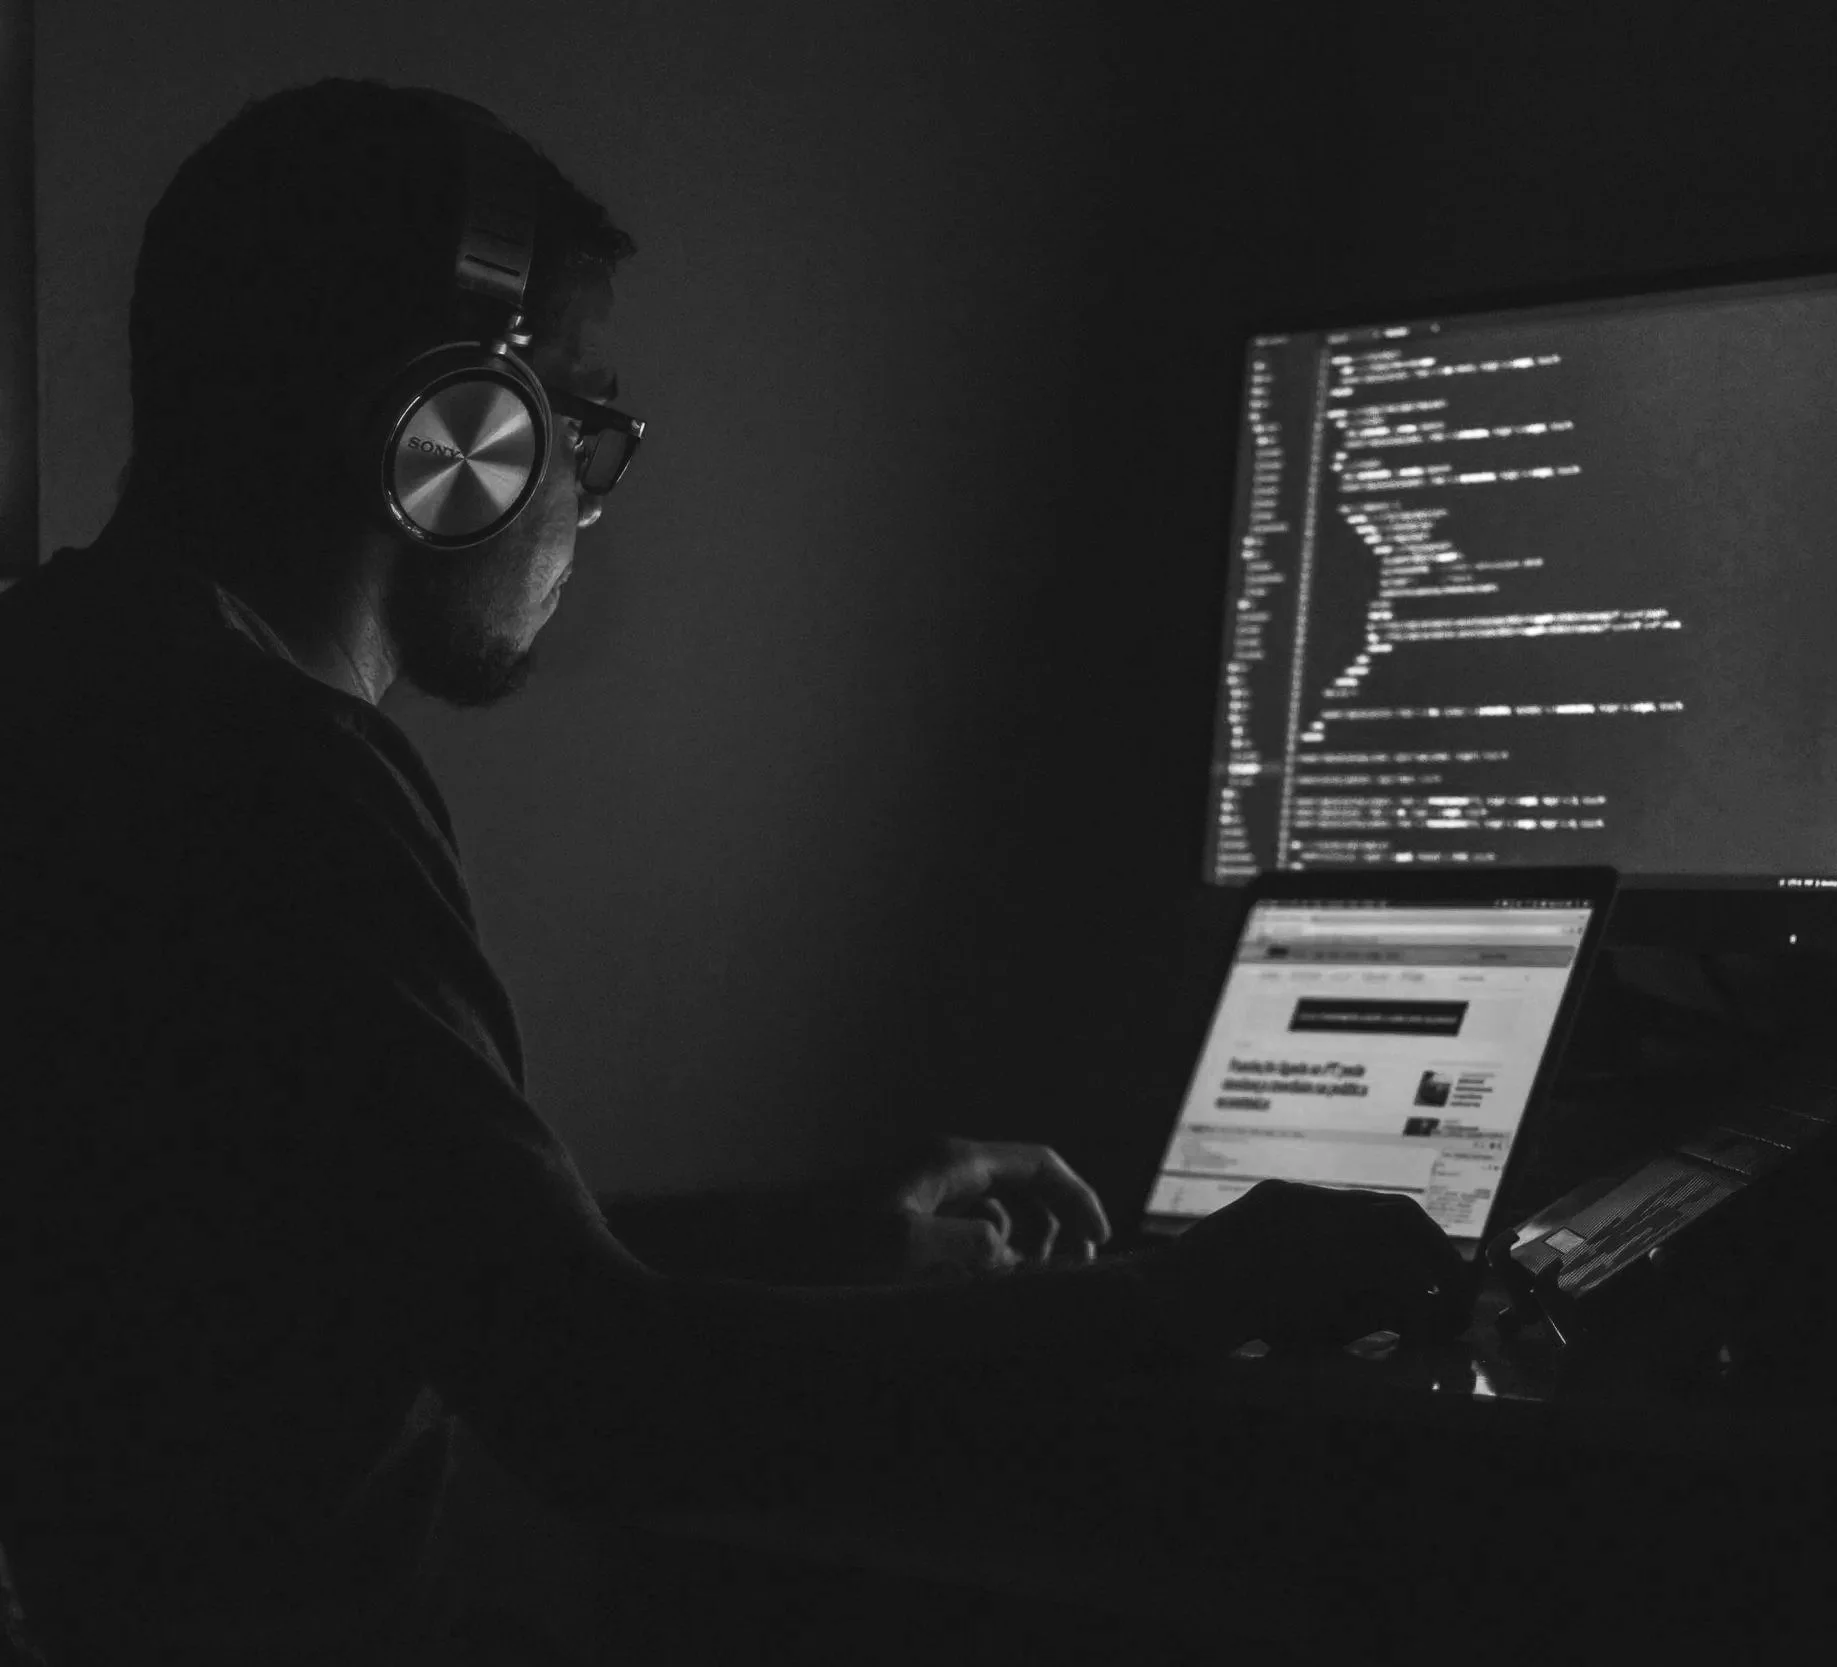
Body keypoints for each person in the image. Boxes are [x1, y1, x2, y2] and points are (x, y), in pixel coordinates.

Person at [0, 80, 1468, 1665]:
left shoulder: (68, 681)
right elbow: (603, 1404)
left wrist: (837, 1235)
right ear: (452, 439)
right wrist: (1200, 1295)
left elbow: (456, 1273)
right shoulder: (267, 775)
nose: (583, 492)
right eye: (581, 417)